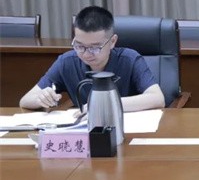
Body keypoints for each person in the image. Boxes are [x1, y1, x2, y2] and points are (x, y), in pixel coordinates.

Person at [19, 6, 165, 112]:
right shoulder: (66, 62)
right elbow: (25, 100)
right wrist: (41, 98)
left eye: (95, 47)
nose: (86, 54)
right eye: (79, 46)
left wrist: (105, 105)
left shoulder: (130, 59)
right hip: (84, 131)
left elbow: (157, 98)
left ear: (112, 41)